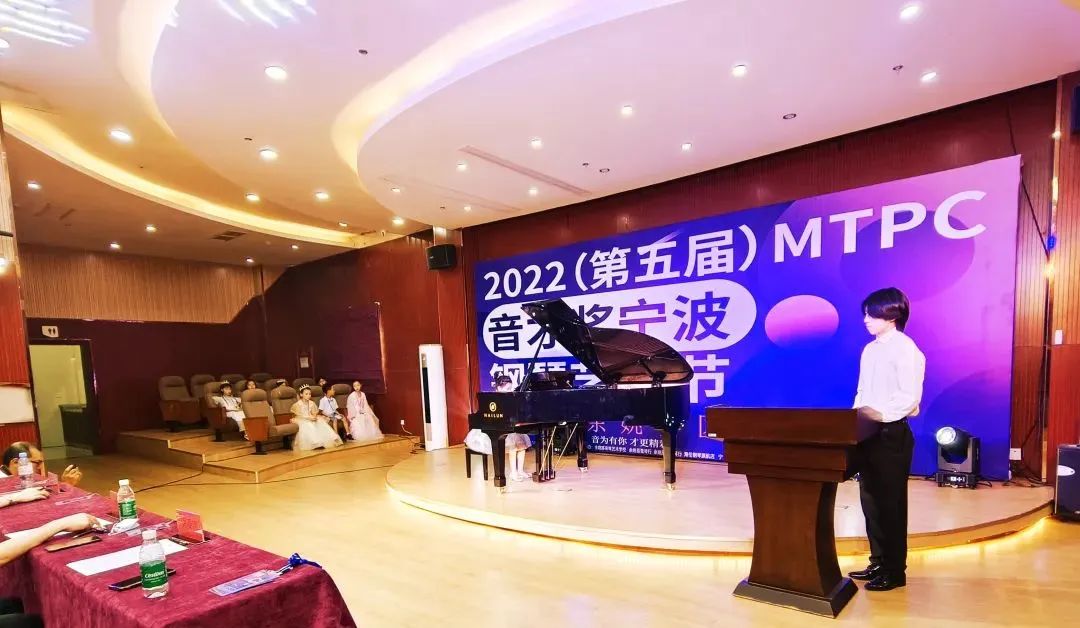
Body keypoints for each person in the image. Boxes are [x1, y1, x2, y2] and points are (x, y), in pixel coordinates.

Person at [848, 287, 925, 592]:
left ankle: (895, 571)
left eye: (871, 314)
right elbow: (862, 391)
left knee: (891, 504)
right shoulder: (870, 349)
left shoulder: (906, 349)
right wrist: (855, 422)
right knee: (871, 501)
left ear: (891, 315)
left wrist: (877, 417)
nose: (865, 320)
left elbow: (909, 398)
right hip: (867, 433)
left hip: (891, 434)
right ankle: (878, 561)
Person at [464, 374, 532, 482]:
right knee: (513, 446)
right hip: (493, 427)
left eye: (511, 388)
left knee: (522, 445)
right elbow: (487, 415)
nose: (510, 391)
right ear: (499, 388)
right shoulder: (492, 398)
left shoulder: (509, 397)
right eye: (507, 389)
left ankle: (520, 471)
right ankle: (513, 473)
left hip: (508, 426)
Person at [1, 443, 82, 487]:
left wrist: (66, 484)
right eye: (37, 462)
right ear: (15, 462)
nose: (40, 467)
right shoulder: (3, 483)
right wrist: (66, 485)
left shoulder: (21, 480)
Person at [290, 385, 343, 451]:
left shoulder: (311, 403)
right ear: (301, 394)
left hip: (311, 417)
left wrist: (314, 417)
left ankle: (333, 438)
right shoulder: (298, 404)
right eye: (306, 394)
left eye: (309, 394)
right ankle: (316, 443)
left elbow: (314, 413)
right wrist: (309, 418)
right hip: (302, 419)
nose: (308, 395)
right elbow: (299, 415)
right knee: (308, 424)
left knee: (321, 422)